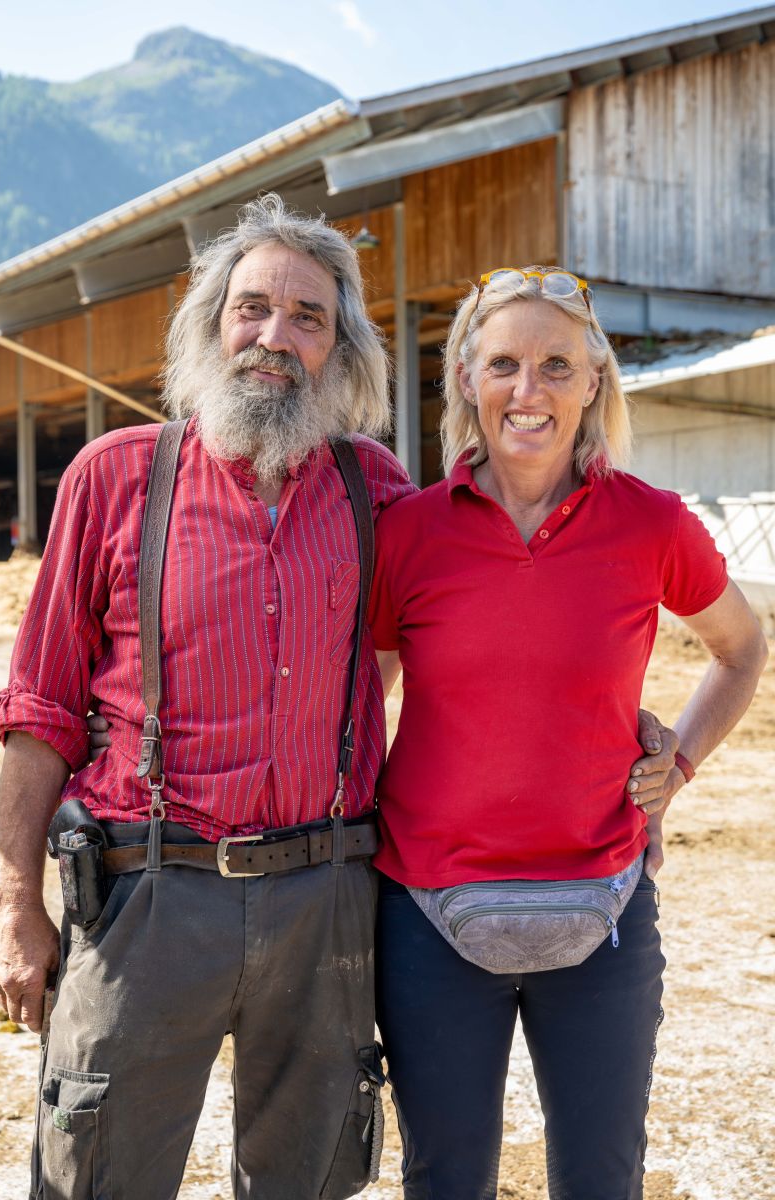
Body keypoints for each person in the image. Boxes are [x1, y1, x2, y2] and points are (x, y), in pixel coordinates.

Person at [0, 194, 417, 1200]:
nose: (275, 336)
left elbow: (445, 633)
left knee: (310, 1178)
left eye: (308, 317)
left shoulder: (375, 486)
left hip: (325, 897)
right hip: (145, 894)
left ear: (341, 349)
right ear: (211, 324)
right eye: (252, 307)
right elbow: (40, 708)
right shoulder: (114, 476)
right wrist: (12, 904)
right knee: (98, 1177)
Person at [368, 267, 768, 1200]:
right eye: (504, 363)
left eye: (557, 365)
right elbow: (356, 705)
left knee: (600, 1178)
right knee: (444, 1178)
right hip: (428, 911)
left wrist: (680, 763)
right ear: (466, 378)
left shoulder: (651, 522)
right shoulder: (408, 534)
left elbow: (742, 650)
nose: (530, 389)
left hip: (604, 908)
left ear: (594, 382)